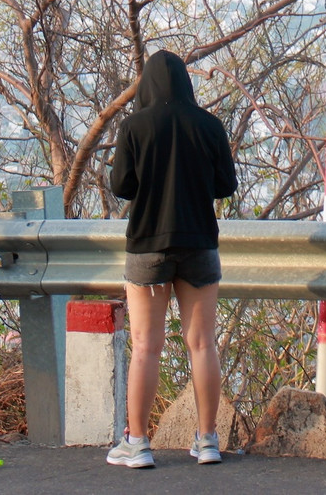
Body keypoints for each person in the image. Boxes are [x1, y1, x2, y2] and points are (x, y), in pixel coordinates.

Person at [106, 50, 238, 470]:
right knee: (202, 344)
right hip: (200, 242)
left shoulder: (134, 126)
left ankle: (139, 443)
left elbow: (122, 186)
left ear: (145, 85)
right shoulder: (209, 125)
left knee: (146, 346)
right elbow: (225, 185)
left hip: (147, 244)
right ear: (186, 82)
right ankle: (207, 440)